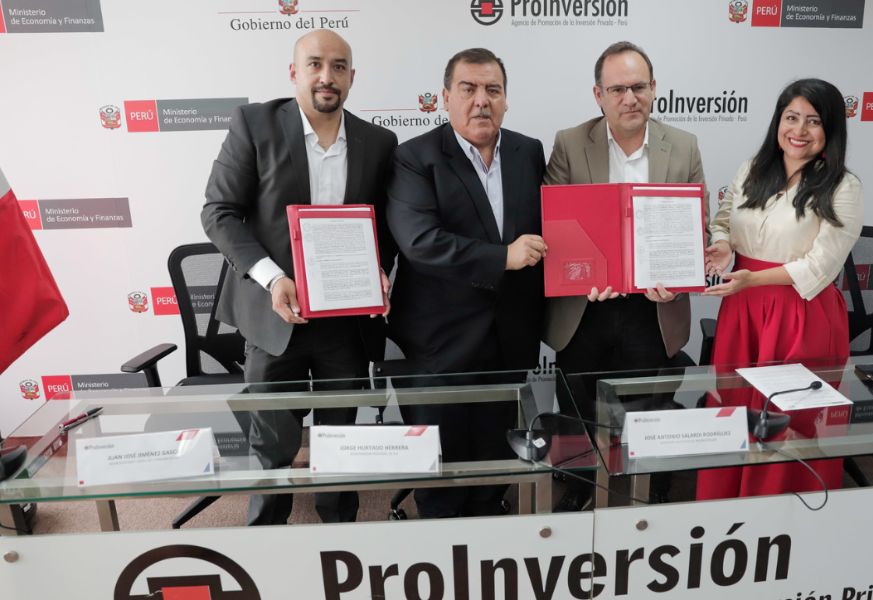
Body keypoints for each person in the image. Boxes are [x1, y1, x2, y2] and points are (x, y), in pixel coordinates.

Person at [201, 30, 397, 525]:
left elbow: (386, 225)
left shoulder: (379, 142)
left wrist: (378, 269)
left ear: (352, 77)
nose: (326, 76)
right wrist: (271, 278)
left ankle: (340, 529)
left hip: (345, 320)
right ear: (294, 72)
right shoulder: (255, 125)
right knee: (272, 443)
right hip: (275, 314)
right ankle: (267, 530)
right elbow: (219, 212)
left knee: (339, 439)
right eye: (314, 64)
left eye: (338, 67)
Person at [543, 41, 708, 510]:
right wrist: (581, 276)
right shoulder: (570, 142)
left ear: (654, 88)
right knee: (577, 402)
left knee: (650, 403)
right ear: (599, 95)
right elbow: (554, 223)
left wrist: (679, 277)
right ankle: (578, 482)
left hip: (653, 308)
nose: (629, 98)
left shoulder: (684, 146)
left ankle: (650, 479)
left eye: (638, 87)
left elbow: (697, 226)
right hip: (586, 306)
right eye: (617, 89)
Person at [386, 48, 546, 518]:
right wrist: (504, 257)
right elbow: (421, 242)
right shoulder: (414, 157)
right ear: (445, 97)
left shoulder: (528, 151)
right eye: (468, 89)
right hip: (440, 344)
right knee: (441, 473)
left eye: (493, 90)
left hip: (510, 338)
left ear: (506, 99)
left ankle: (489, 525)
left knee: (494, 463)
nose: (481, 101)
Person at [696, 78, 863, 500]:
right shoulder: (753, 169)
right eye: (791, 117)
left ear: (830, 130)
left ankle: (781, 511)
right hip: (742, 308)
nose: (799, 130)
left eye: (813, 121)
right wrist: (723, 245)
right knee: (733, 405)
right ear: (778, 122)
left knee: (788, 415)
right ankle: (724, 499)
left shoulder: (843, 186)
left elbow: (821, 265)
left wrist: (753, 278)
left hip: (800, 313)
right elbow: (724, 219)